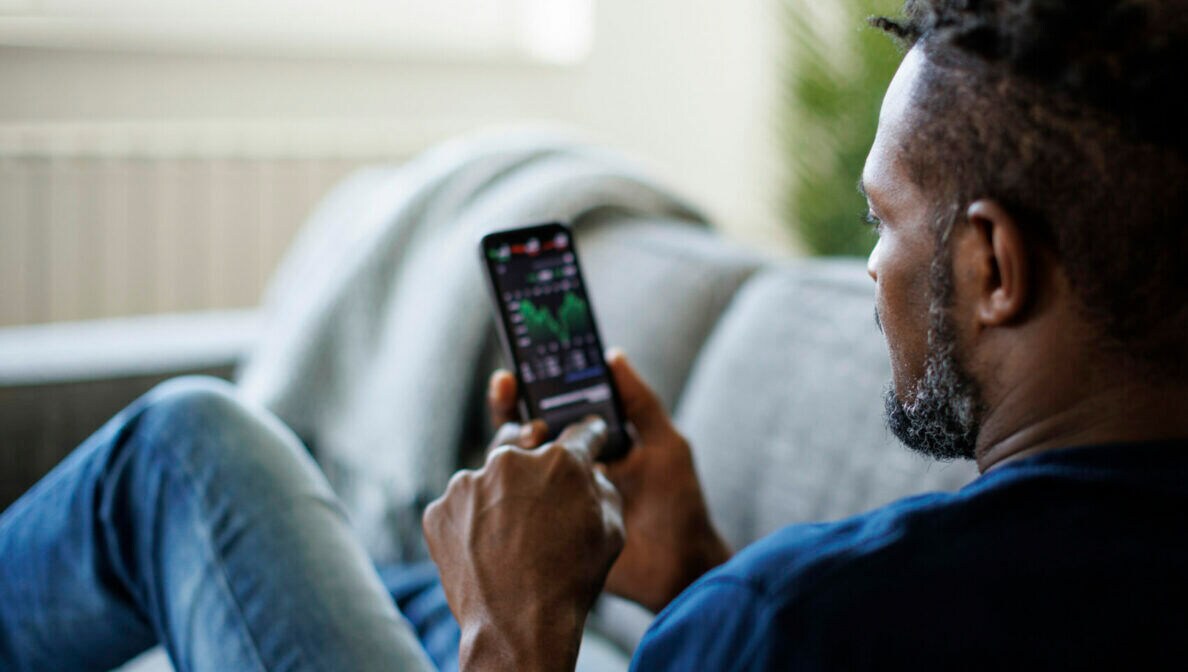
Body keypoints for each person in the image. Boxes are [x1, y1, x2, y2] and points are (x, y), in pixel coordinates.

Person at [3, 0, 1187, 669]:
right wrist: (697, 572)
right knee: (409, 587)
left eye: (884, 223)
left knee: (188, 450)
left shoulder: (794, 620)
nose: (869, 268)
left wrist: (514, 632)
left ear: (992, 266)